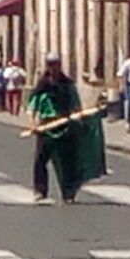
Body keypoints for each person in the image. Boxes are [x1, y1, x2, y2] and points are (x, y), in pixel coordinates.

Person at [27, 52, 83, 205]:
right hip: (46, 125)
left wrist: (76, 117)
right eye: (50, 64)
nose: (53, 68)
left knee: (67, 161)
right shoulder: (42, 87)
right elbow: (32, 107)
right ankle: (40, 190)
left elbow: (75, 104)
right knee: (40, 160)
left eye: (55, 64)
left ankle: (68, 192)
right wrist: (33, 124)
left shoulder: (67, 85)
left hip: (64, 123)